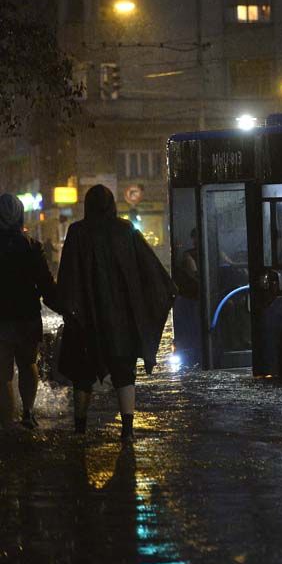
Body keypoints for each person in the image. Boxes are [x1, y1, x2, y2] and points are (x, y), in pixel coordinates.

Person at [57, 185, 176, 443]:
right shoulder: (125, 231)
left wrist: (68, 309)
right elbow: (149, 269)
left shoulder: (77, 232)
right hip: (121, 320)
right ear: (112, 204)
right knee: (124, 373)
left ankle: (80, 430)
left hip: (87, 320)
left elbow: (67, 277)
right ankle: (127, 430)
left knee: (82, 374)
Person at [0, 194, 62, 430]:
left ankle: (6, 423)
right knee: (28, 365)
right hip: (27, 317)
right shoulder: (32, 246)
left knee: (3, 374)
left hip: (1, 318)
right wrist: (65, 309)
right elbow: (46, 285)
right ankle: (28, 413)